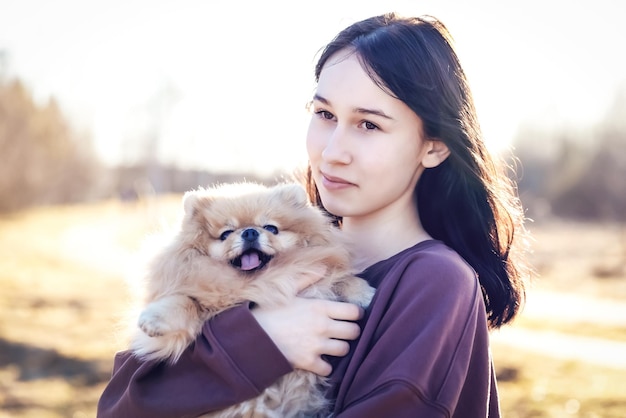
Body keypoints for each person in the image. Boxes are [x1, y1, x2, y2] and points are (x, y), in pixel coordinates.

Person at [97, 12, 530, 417]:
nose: (332, 152)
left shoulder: (434, 282)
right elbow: (118, 406)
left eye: (368, 125)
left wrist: (249, 351)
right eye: (325, 114)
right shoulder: (253, 264)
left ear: (434, 145)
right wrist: (261, 339)